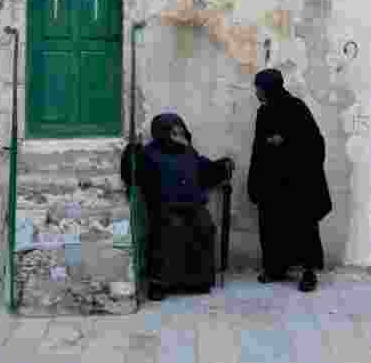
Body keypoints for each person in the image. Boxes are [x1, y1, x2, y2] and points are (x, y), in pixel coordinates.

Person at [120, 112, 234, 301]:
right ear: (163, 133)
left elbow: (204, 171)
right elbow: (133, 174)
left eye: (180, 130)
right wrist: (132, 152)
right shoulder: (149, 154)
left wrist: (222, 166)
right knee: (168, 231)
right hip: (165, 208)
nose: (179, 135)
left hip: (192, 206)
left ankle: (197, 282)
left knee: (204, 226)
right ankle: (160, 284)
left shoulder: (189, 152)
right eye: (174, 132)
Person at [247, 68, 332, 292]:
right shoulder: (263, 113)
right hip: (272, 182)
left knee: (302, 227)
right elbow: (258, 147)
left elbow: (315, 142)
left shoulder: (296, 108)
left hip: (297, 182)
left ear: (269, 88)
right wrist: (255, 180)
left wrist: (285, 142)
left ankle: (308, 273)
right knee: (272, 225)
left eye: (259, 87)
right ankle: (275, 269)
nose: (256, 92)